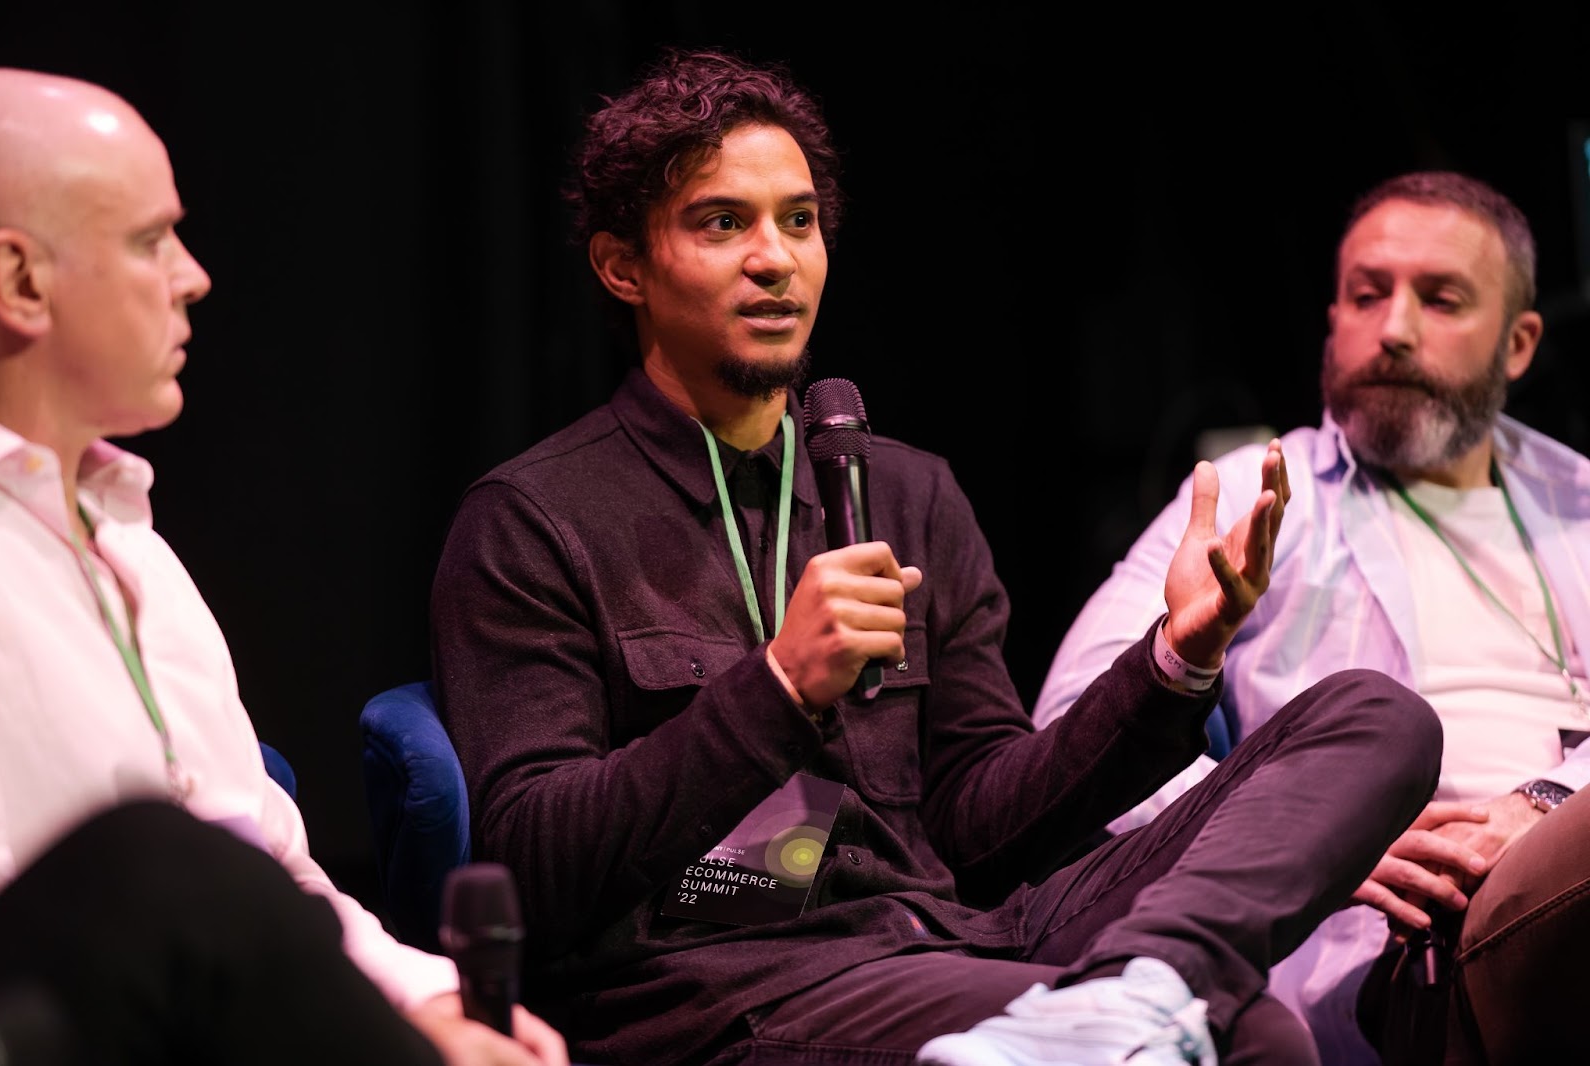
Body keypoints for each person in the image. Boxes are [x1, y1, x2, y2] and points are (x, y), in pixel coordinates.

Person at [429, 47, 1443, 1066]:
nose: (776, 259)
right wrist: (778, 687)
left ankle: (1153, 981)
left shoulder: (908, 494)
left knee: (1376, 718)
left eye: (798, 221)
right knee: (1252, 1037)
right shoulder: (535, 519)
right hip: (729, 985)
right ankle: (1139, 1003)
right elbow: (530, 872)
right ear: (622, 267)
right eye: (723, 223)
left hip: (953, 931)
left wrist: (1173, 657)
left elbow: (982, 828)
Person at [0, 67, 568, 1066]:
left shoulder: (138, 553)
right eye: (149, 240)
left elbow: (273, 872)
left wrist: (428, 1004)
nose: (191, 276)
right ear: (21, 283)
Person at [1034, 170, 1590, 1063]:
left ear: (1519, 344)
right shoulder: (1258, 492)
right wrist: (1303, 842)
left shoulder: (1578, 498)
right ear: (1333, 320)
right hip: (1402, 952)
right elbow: (1069, 723)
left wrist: (1548, 805)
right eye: (1367, 296)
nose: (1394, 329)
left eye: (1440, 300)